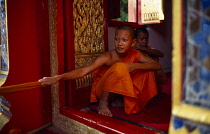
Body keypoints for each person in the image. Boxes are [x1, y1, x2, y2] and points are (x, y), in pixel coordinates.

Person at [39, 25, 162, 117]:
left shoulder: (136, 53)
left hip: (117, 90)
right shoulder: (108, 56)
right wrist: (58, 77)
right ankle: (103, 103)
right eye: (116, 39)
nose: (119, 44)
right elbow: (83, 71)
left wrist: (135, 66)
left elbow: (156, 65)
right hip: (102, 91)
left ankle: (125, 101)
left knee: (147, 70)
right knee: (120, 67)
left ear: (133, 42)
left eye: (124, 40)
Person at [133, 27, 167, 92]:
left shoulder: (147, 47)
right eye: (142, 39)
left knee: (155, 56)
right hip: (141, 74)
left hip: (153, 73)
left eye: (146, 38)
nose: (145, 41)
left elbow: (161, 54)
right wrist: (158, 69)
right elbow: (146, 59)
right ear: (136, 39)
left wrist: (145, 49)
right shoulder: (134, 48)